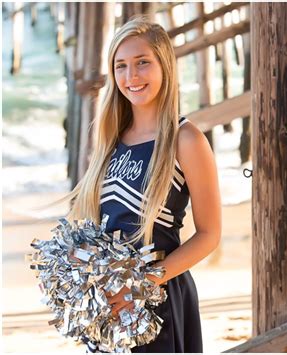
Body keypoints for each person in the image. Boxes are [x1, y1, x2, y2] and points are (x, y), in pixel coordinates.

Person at [44, 14, 222, 353]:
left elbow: (209, 235)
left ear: (164, 67)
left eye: (143, 63)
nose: (132, 76)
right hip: (110, 305)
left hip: (159, 298)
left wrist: (139, 285)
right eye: (121, 66)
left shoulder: (185, 139)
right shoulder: (111, 136)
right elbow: (102, 225)